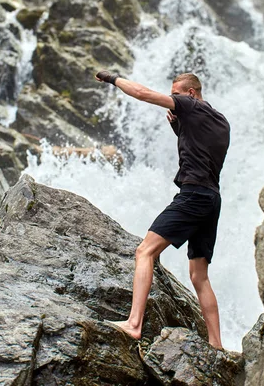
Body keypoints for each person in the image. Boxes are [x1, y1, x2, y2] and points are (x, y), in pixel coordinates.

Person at [95, 70, 230, 349]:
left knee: (145, 251)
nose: (173, 101)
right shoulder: (221, 121)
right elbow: (201, 151)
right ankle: (217, 345)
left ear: (191, 94)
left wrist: (114, 79)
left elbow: (143, 93)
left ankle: (133, 324)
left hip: (192, 194)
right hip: (212, 198)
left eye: (176, 96)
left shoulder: (190, 105)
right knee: (199, 276)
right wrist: (180, 128)